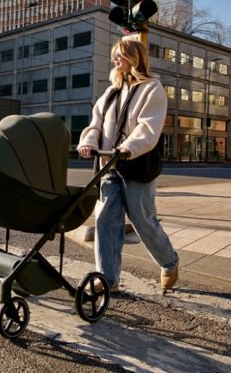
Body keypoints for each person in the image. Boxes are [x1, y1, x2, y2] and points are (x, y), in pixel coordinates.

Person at [77, 38, 179, 292]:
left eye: (120, 54)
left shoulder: (151, 88)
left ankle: (169, 261)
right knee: (105, 220)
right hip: (110, 167)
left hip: (137, 166)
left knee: (143, 220)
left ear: (134, 57)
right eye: (114, 55)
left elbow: (148, 127)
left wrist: (128, 148)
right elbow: (95, 124)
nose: (115, 59)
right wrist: (88, 142)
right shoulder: (110, 92)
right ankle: (107, 278)